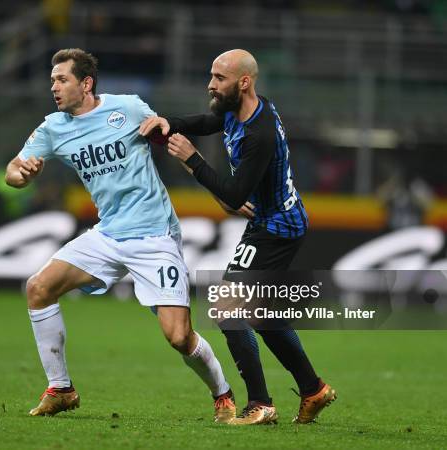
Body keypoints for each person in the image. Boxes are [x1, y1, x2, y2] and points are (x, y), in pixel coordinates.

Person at [5, 48, 237, 422]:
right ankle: (61, 388)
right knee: (38, 288)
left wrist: (224, 194)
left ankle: (222, 394)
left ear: (86, 83)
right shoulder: (53, 127)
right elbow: (12, 170)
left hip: (155, 236)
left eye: (62, 79)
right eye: (52, 80)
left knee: (178, 337)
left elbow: (171, 142)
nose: (54, 87)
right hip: (108, 235)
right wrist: (22, 175)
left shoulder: (127, 109)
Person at [140, 49, 336, 425]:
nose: (210, 84)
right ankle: (313, 390)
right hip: (271, 221)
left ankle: (261, 404)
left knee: (228, 309)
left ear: (243, 82)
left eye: (219, 78)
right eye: (211, 75)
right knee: (259, 316)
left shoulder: (259, 134)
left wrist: (193, 159)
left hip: (277, 227)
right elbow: (207, 120)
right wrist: (169, 122)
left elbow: (232, 197)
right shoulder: (238, 109)